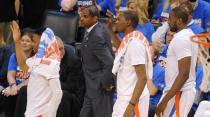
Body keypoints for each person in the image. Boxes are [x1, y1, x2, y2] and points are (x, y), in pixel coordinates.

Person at [10, 21, 63, 117]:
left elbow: (58, 93)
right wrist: (17, 41)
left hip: (41, 114)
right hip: (31, 111)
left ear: (44, 41)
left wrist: (50, 114)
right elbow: (23, 65)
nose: (32, 45)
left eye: (34, 41)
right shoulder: (37, 59)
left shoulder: (50, 63)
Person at [155, 7, 198, 117]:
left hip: (179, 93)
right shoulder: (190, 35)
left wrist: (164, 101)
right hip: (177, 92)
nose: (168, 22)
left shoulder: (181, 39)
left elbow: (184, 74)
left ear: (179, 20)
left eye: (170, 19)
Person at [112, 10, 152, 117]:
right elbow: (120, 47)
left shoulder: (135, 44)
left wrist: (131, 106)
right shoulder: (129, 41)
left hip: (133, 100)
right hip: (125, 97)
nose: (116, 22)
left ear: (128, 22)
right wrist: (110, 29)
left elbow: (142, 77)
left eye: (119, 19)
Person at [79, 5, 114, 117]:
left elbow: (109, 62)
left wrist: (105, 83)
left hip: (99, 86)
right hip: (91, 85)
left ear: (95, 18)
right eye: (81, 16)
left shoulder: (96, 36)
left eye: (85, 16)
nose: (81, 19)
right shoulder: (95, 28)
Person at [0, 30, 34, 117]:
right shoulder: (14, 56)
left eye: (27, 41)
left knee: (20, 93)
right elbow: (10, 74)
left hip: (29, 88)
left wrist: (17, 88)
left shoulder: (36, 58)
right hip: (15, 86)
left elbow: (33, 78)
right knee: (6, 93)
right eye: (22, 40)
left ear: (33, 43)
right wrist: (13, 85)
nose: (24, 43)